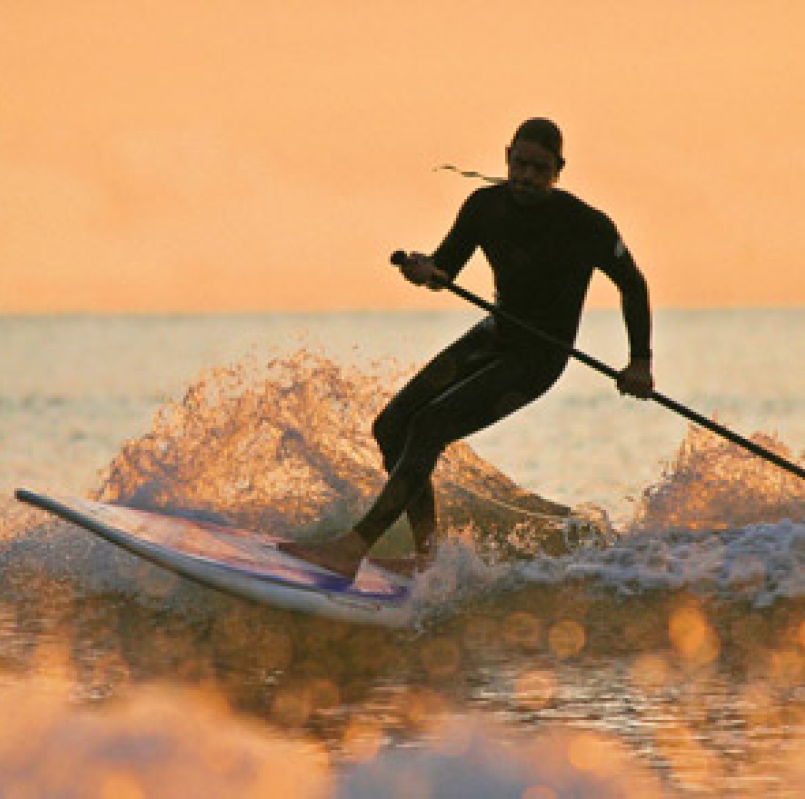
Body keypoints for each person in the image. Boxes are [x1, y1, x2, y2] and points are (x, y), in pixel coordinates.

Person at [280, 118, 654, 579]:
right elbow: (446, 270)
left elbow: (633, 286)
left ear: (559, 169)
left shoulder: (586, 224)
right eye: (520, 164)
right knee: (392, 425)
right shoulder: (485, 206)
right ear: (506, 157)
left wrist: (640, 361)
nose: (527, 177)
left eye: (540, 168)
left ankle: (353, 547)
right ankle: (427, 558)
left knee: (431, 425)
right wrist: (426, 270)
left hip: (537, 357)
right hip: (496, 334)